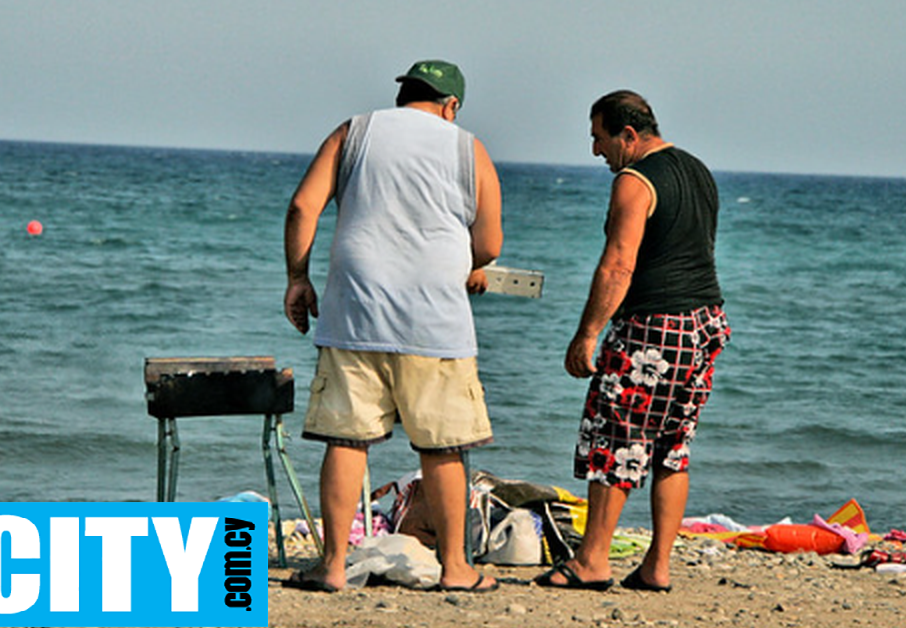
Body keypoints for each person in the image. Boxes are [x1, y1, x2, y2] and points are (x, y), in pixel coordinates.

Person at [282, 60, 502, 593]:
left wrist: (297, 278)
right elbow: (490, 244)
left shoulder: (355, 131)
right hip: (435, 316)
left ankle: (333, 566)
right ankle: (456, 568)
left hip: (356, 311)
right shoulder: (466, 147)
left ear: (405, 95)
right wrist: (467, 261)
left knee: (346, 439)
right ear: (451, 105)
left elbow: (301, 208)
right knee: (443, 447)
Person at [536, 90, 729, 592]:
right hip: (705, 321)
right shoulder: (698, 170)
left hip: (653, 327)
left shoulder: (634, 180)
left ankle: (592, 561)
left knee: (616, 441)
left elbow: (619, 263)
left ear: (628, 134)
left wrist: (587, 333)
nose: (596, 151)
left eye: (599, 138)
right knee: (672, 449)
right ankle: (657, 566)